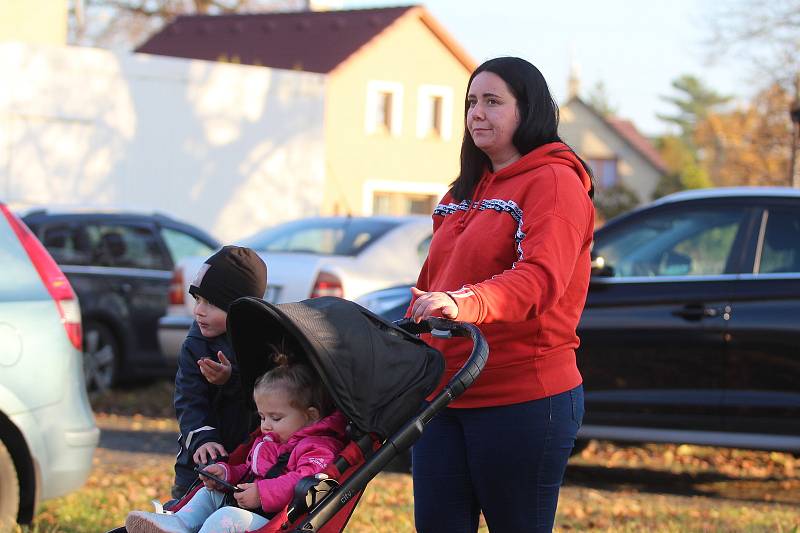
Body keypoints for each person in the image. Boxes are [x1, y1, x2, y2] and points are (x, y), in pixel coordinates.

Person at [409, 56, 595, 532]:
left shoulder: (555, 182)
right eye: (472, 101)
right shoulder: (460, 192)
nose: (477, 113)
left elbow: (540, 279)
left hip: (521, 399)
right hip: (442, 397)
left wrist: (464, 302)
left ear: (527, 110)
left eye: (493, 101)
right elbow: (434, 282)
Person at [126, 355, 347, 533]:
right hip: (249, 507)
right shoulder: (270, 440)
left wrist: (262, 493)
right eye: (262, 417)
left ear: (310, 416)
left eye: (275, 418)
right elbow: (249, 471)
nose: (266, 425)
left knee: (226, 517)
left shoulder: (318, 447)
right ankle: (177, 525)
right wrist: (226, 475)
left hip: (278, 520)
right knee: (208, 494)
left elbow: (304, 481)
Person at [171, 245, 268, 500]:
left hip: (249, 464)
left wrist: (232, 380)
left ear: (240, 309)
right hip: (200, 465)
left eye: (211, 303)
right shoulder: (195, 345)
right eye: (198, 299)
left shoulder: (263, 345)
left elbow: (270, 396)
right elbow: (188, 399)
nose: (199, 311)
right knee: (186, 511)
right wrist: (203, 439)